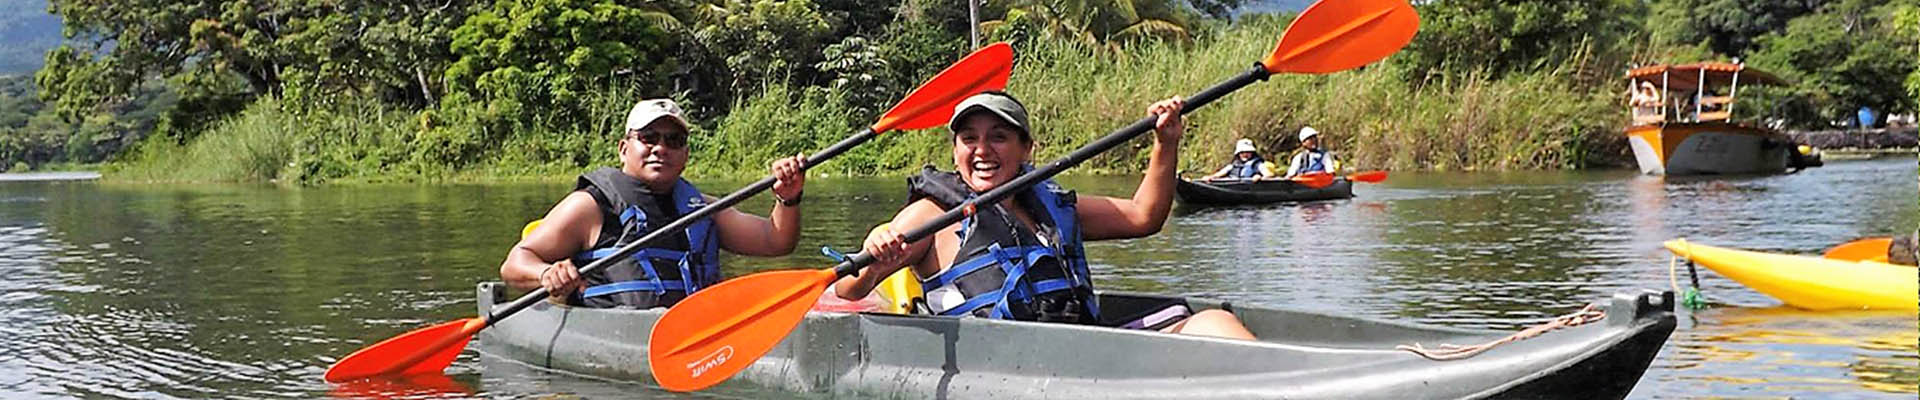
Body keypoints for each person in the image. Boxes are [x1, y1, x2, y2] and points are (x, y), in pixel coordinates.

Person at [831, 91, 1256, 340]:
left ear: (1026, 149)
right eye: (969, 139)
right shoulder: (932, 214)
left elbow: (1144, 216)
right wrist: (875, 254)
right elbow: (851, 288)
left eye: (999, 137)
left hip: (1088, 350)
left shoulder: (1050, 205)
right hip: (1001, 365)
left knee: (1216, 323)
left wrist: (1166, 143)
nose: (982, 150)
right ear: (955, 149)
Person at [500, 98, 808, 308]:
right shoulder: (589, 207)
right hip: (614, 331)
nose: (661, 148)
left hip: (694, 330)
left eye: (673, 141)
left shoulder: (703, 207)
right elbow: (515, 262)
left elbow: (776, 241)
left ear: (685, 155)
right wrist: (545, 274)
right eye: (648, 138)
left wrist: (788, 197)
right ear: (624, 148)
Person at [1201, 138, 1276, 181]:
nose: (1245, 154)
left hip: (1249, 187)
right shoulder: (1233, 165)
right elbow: (1218, 174)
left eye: (1248, 152)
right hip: (1234, 184)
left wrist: (1260, 177)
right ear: (1238, 154)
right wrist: (1210, 177)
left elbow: (1269, 174)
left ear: (1252, 153)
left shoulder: (1258, 164)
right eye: (1242, 152)